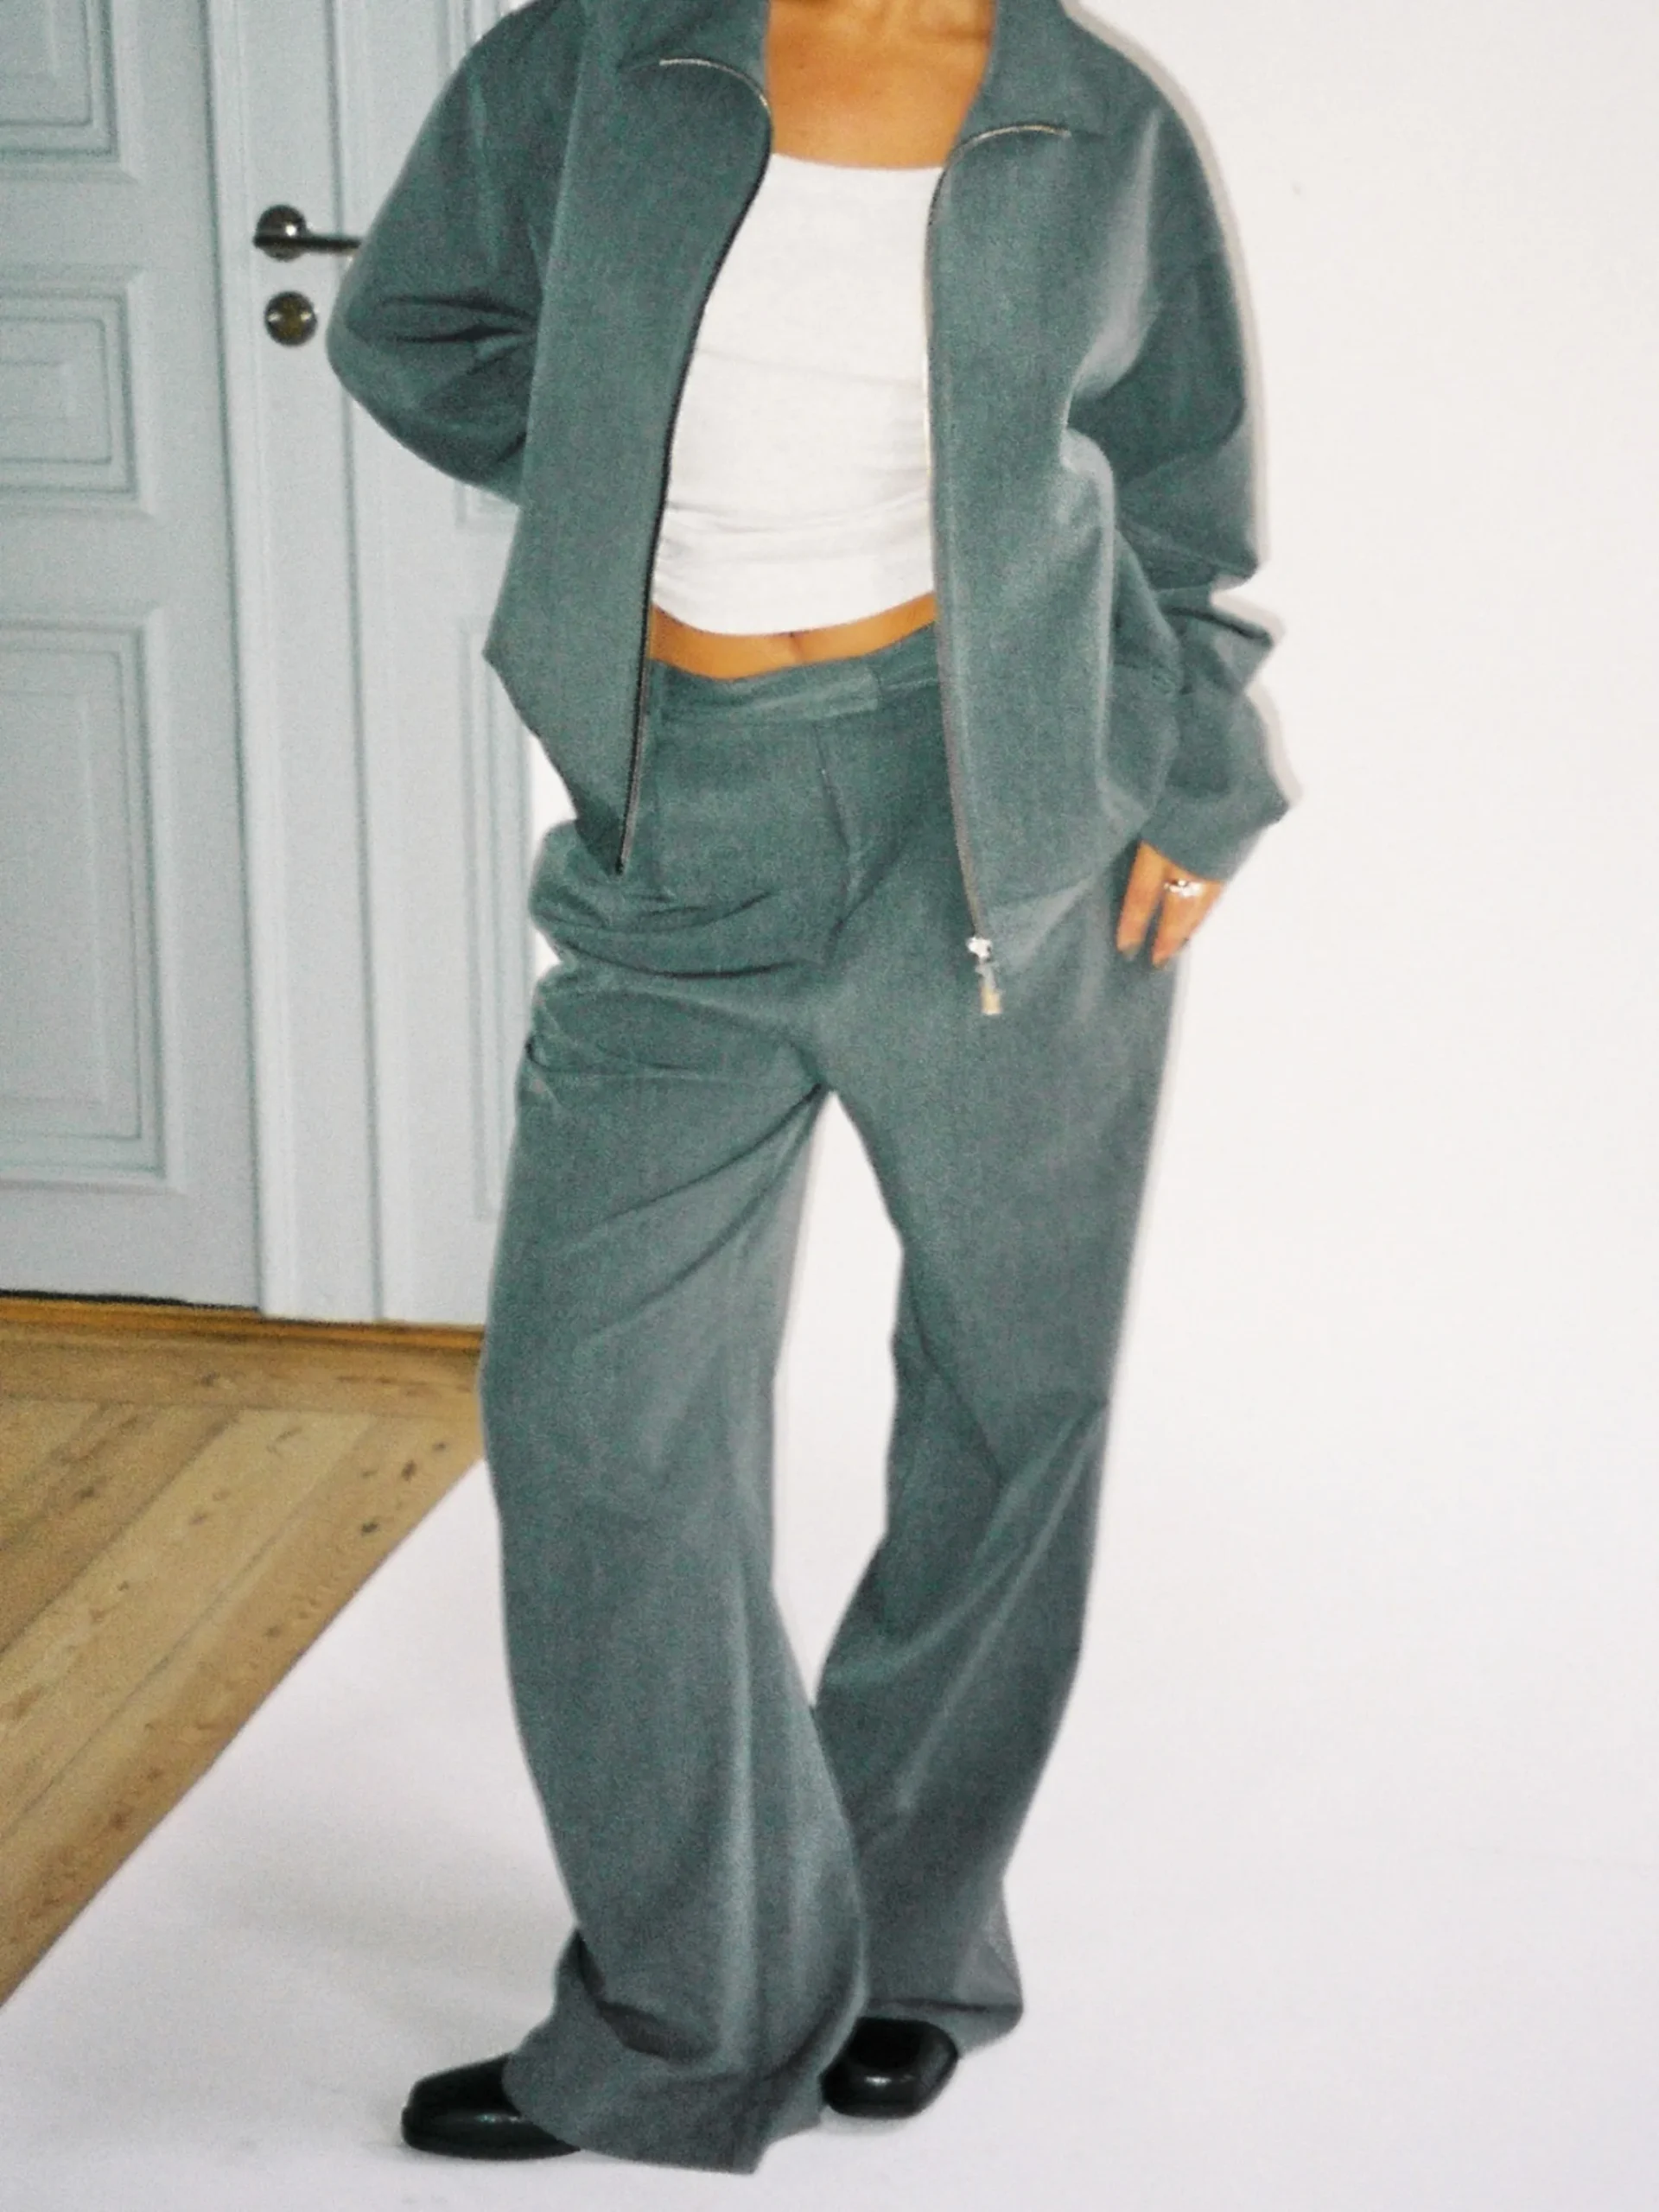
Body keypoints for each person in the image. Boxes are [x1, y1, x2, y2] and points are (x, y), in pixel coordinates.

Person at [327, 0, 1288, 2175]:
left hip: (1003, 817)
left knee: (1009, 1396)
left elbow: (1179, 485)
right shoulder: (592, 62)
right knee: (593, 1423)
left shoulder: (1090, 118)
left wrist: (1202, 773)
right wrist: (611, 451)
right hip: (681, 823)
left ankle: (910, 1935)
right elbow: (412, 326)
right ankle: (702, 1995)